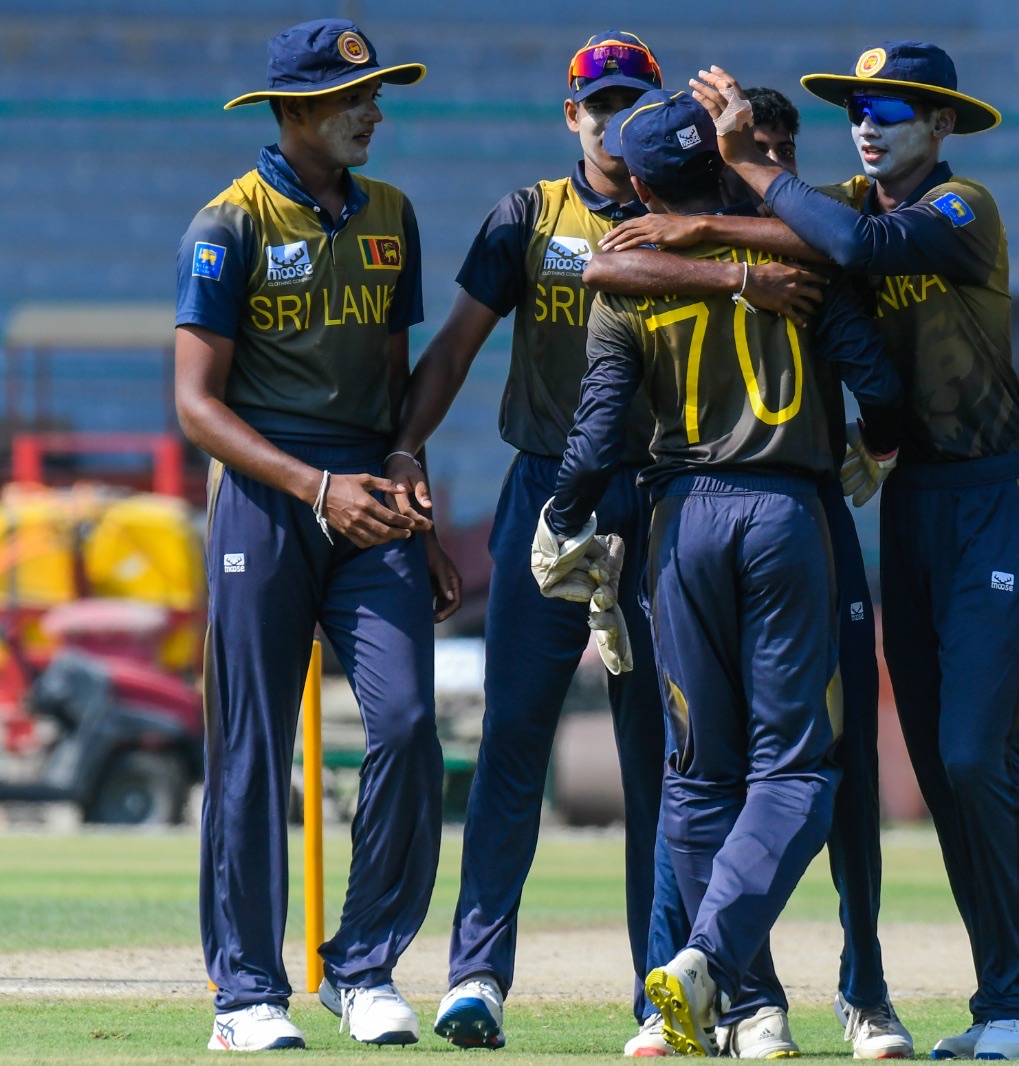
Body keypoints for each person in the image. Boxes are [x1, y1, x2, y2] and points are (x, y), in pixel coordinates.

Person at [675, 43, 1019, 1061]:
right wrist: (707, 202)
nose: (867, 122)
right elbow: (790, 233)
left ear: (940, 125)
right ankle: (1013, 1000)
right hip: (910, 501)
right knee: (939, 769)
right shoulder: (843, 199)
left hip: (993, 494)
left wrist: (737, 178)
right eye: (857, 107)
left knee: (975, 756)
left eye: (892, 109)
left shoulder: (962, 207)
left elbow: (852, 244)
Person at [534, 88, 904, 1058]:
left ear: (644, 186)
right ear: (720, 163)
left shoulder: (628, 279)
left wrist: (561, 519)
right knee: (800, 767)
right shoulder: (798, 256)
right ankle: (715, 962)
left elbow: (599, 432)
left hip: (680, 524)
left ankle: (743, 1005)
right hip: (785, 516)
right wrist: (878, 443)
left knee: (699, 776)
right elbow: (879, 381)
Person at [378, 30, 674, 1053]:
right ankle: (475, 977)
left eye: (635, 103)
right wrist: (405, 448)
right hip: (546, 490)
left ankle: (660, 987)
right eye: (601, 104)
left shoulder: (688, 214)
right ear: (570, 115)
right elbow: (455, 346)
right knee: (513, 739)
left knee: (657, 753)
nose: (616, 121)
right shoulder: (528, 216)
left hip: (657, 498)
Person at [175, 18, 458, 1051]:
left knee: (408, 724)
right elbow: (196, 405)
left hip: (369, 494)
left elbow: (393, 379)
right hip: (267, 492)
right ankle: (245, 995)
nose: (373, 112)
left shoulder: (392, 214)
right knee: (252, 750)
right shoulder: (228, 222)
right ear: (294, 109)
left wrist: (409, 484)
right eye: (353, 98)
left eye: (376, 94)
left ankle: (364, 967)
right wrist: (314, 486)